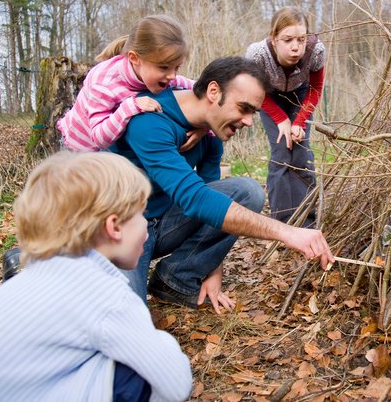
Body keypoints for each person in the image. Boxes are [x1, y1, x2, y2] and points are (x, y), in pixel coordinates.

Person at [110, 56, 334, 315]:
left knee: (246, 191)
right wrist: (288, 232)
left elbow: (209, 202)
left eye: (254, 112)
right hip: (123, 229)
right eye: (244, 108)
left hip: (163, 223)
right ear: (213, 91)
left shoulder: (209, 133)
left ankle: (175, 277)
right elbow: (195, 199)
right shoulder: (149, 120)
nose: (249, 121)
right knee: (128, 322)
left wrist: (211, 269)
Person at [0, 151, 192, 401]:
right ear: (114, 227)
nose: (146, 227)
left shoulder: (17, 287)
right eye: (141, 215)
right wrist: (162, 341)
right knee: (132, 379)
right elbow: (177, 385)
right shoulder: (106, 296)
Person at [57, 14, 203, 152]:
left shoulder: (163, 76)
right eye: (164, 67)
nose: (172, 75)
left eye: (177, 67)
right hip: (82, 150)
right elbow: (99, 138)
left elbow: (204, 92)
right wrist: (130, 106)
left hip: (114, 147)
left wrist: (204, 127)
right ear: (134, 58)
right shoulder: (104, 83)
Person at [245, 7, 326, 228]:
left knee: (301, 152)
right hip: (268, 96)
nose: (295, 47)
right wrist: (281, 119)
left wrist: (299, 122)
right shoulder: (257, 55)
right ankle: (282, 223)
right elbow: (254, 90)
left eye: (301, 39)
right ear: (274, 39)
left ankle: (307, 221)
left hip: (301, 95)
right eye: (288, 40)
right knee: (282, 151)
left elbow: (316, 88)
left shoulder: (316, 51)